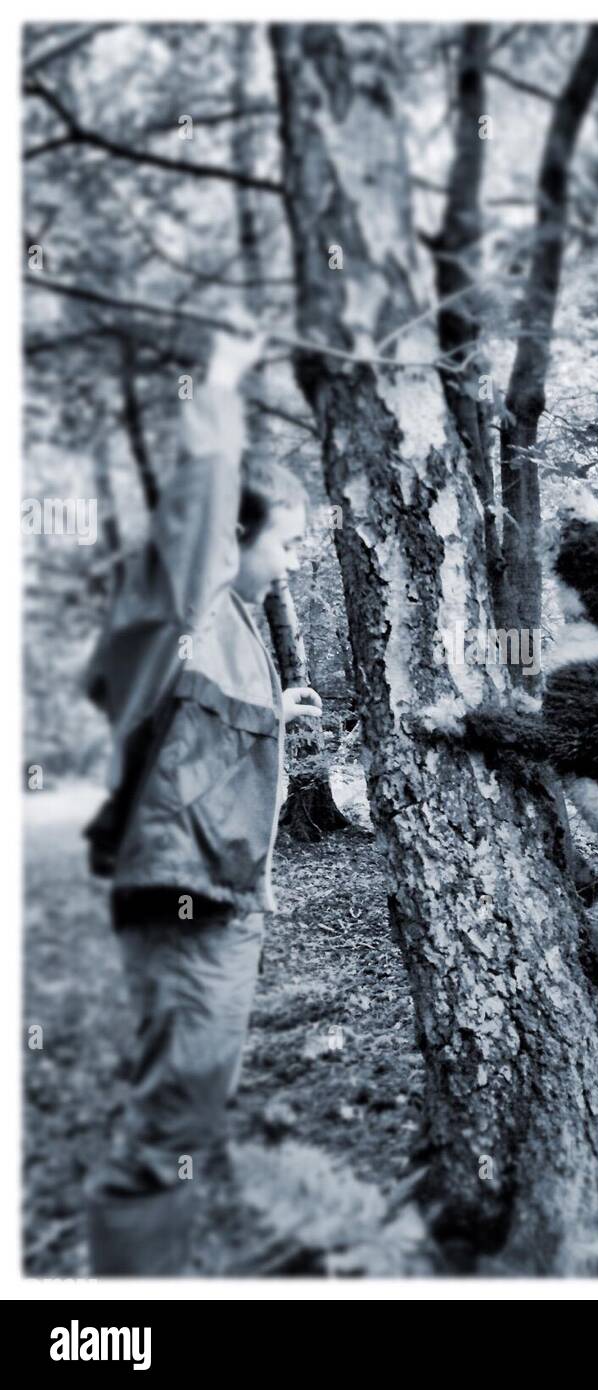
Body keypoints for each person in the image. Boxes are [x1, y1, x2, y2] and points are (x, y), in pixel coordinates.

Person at [82, 330, 321, 1275]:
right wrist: (220, 386)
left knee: (193, 1097)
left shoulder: (226, 630)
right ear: (232, 535)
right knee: (173, 1111)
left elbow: (201, 727)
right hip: (181, 902)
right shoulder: (189, 601)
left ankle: (158, 1272)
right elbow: (196, 524)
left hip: (218, 901)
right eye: (289, 542)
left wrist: (279, 709)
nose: (297, 563)